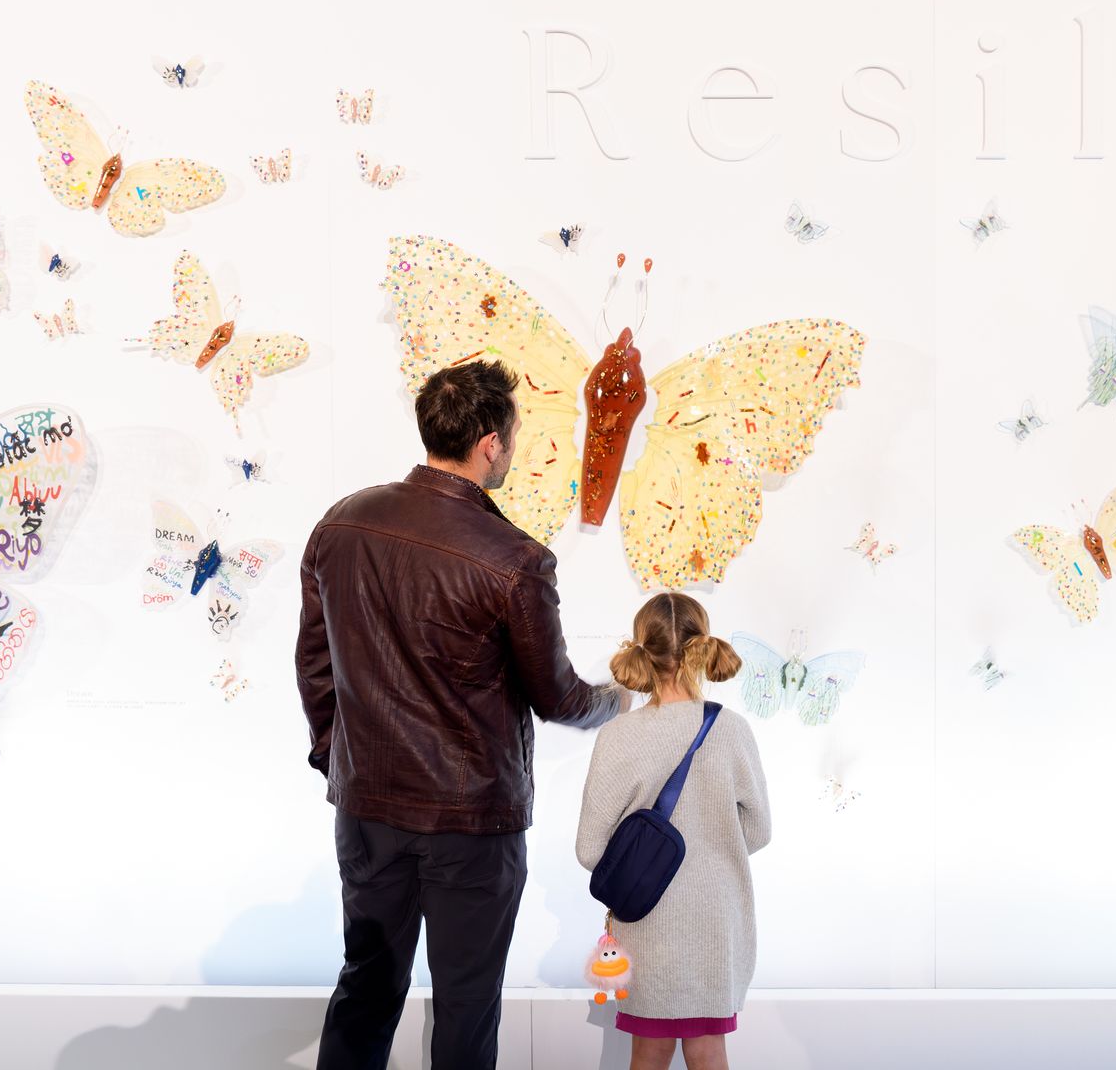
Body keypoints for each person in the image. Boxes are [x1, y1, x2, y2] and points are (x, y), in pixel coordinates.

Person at [297, 359, 628, 1070]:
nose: (513, 448)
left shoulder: (342, 523)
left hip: (368, 807)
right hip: (471, 821)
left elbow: (314, 666)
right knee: (467, 1006)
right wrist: (618, 699)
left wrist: (339, 763)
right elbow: (558, 697)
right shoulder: (515, 561)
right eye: (514, 434)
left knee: (365, 988)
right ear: (489, 443)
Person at [576, 592, 770, 1070]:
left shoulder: (618, 735)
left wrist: (649, 864)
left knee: (649, 1051)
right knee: (709, 1050)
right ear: (702, 646)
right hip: (718, 922)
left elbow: (589, 850)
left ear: (643, 647)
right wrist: (709, 851)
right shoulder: (732, 730)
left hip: (648, 922)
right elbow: (759, 830)